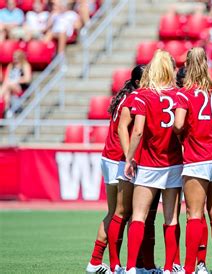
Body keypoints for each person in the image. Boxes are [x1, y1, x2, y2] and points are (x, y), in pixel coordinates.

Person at [124, 50, 183, 274]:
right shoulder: (178, 94)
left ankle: (131, 268)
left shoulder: (143, 95)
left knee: (139, 216)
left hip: (149, 162)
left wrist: (130, 158)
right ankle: (169, 268)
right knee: (171, 218)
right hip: (174, 162)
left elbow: (137, 131)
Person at [174, 47, 212, 274]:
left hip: (197, 158)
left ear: (188, 65)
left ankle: (189, 268)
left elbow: (178, 125)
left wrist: (183, 132)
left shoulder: (184, 94)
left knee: (194, 214)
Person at [84, 65, 145, 274]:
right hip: (120, 158)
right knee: (122, 213)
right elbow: (127, 130)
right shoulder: (134, 99)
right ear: (138, 82)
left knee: (114, 212)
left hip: (109, 156)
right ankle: (114, 265)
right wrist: (130, 157)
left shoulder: (124, 96)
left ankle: (95, 261)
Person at [0, 50, 31, 115]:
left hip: (20, 87)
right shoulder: (10, 65)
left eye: (16, 57)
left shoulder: (25, 65)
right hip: (10, 85)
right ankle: (7, 110)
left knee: (8, 84)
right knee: (7, 91)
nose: (15, 58)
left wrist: (16, 80)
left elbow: (27, 79)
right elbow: (6, 79)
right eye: (14, 56)